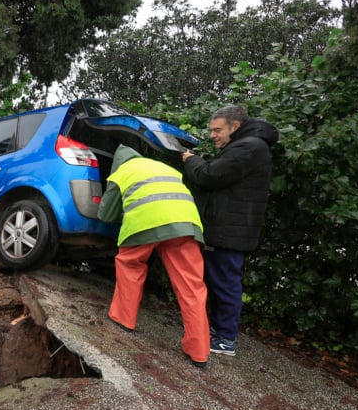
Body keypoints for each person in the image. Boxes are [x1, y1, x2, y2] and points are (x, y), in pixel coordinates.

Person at [100, 145, 210, 367]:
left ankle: (124, 319)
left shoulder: (121, 172)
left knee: (130, 266)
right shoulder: (166, 168)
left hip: (145, 224)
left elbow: (105, 214)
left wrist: (124, 211)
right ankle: (199, 352)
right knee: (192, 286)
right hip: (186, 225)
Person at [182, 105, 277, 357]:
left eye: (217, 130)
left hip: (231, 232)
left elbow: (210, 176)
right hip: (228, 229)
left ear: (234, 127)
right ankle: (219, 332)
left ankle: (225, 339)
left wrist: (192, 160)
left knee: (225, 284)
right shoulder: (246, 146)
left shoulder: (249, 147)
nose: (213, 135)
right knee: (220, 282)